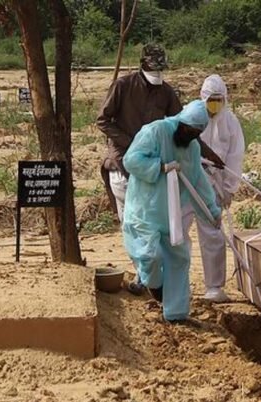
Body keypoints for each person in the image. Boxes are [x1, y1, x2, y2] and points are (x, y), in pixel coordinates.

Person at [121, 100, 221, 323]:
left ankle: (176, 313)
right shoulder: (155, 131)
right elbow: (130, 160)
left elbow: (198, 182)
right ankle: (155, 287)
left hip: (170, 216)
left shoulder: (192, 148)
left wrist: (212, 211)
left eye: (195, 134)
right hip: (144, 210)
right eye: (188, 130)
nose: (189, 136)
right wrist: (160, 167)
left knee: (179, 258)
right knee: (149, 255)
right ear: (181, 123)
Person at [97, 44, 181, 296]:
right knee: (132, 225)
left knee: (154, 225)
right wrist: (131, 143)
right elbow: (103, 120)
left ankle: (150, 276)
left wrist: (205, 155)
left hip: (154, 169)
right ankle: (146, 277)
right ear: (142, 65)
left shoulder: (165, 92)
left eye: (160, 69)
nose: (156, 73)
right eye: (152, 68)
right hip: (123, 166)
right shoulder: (123, 86)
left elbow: (181, 124)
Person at [184, 74, 245, 303]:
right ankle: (179, 285)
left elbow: (235, 156)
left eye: (219, 99)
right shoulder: (190, 116)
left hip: (215, 187)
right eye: (211, 99)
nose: (215, 104)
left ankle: (214, 287)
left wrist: (229, 188)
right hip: (187, 183)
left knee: (213, 234)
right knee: (178, 233)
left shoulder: (231, 122)